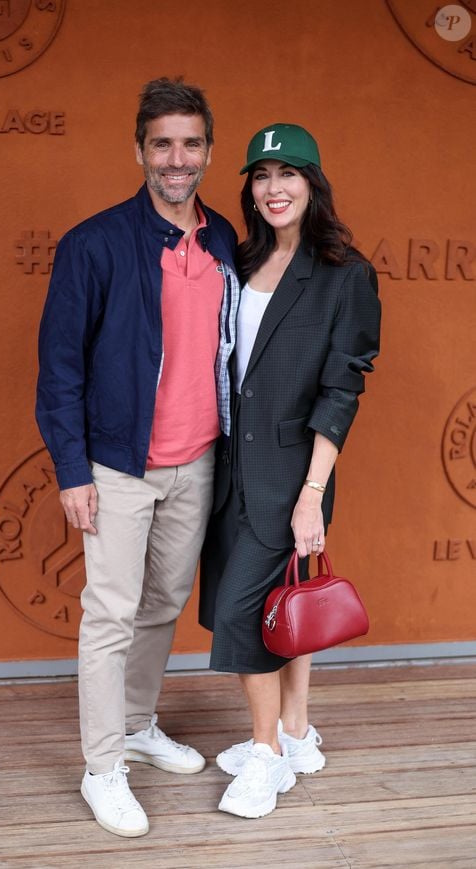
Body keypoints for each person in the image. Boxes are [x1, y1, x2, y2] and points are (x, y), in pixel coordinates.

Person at [35, 77, 239, 838]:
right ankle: (102, 768)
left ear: (209, 152)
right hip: (118, 464)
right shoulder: (94, 244)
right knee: (110, 616)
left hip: (196, 459)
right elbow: (59, 367)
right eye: (162, 144)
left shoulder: (221, 239)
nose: (176, 158)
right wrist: (73, 470)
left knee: (161, 606)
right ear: (140, 151)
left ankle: (138, 723)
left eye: (190, 144)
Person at [199, 123, 381, 819]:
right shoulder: (239, 262)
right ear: (249, 186)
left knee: (245, 610)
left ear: (313, 184)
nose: (275, 188)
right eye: (262, 174)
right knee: (284, 600)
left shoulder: (345, 274)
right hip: (232, 464)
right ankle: (298, 730)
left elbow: (342, 388)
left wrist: (312, 493)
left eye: (289, 174)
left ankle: (265, 752)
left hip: (292, 472)